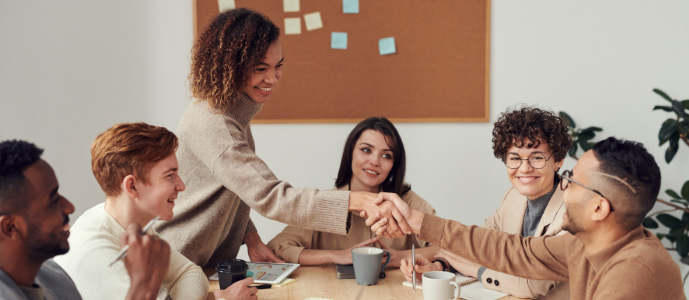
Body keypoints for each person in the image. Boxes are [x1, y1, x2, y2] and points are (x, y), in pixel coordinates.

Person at [156, 8, 408, 268]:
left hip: (201, 265)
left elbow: (235, 187)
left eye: (278, 66)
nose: (273, 78)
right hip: (177, 263)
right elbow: (271, 196)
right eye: (260, 68)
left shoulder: (230, 112)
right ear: (231, 67)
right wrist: (354, 200)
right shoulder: (215, 123)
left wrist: (251, 237)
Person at [382, 137, 686, 300]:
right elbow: (514, 251)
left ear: (599, 209)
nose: (562, 186)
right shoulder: (580, 245)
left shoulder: (636, 270)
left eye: (570, 180)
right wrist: (418, 221)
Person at [53, 123, 257, 300]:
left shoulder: (131, 225)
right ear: (132, 187)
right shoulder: (97, 253)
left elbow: (189, 273)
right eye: (170, 176)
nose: (181, 186)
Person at [398, 106, 572, 299]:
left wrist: (477, 271)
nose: (524, 168)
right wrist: (440, 266)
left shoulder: (573, 211)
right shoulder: (512, 197)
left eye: (537, 158)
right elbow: (478, 245)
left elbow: (533, 285)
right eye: (514, 158)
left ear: (558, 160)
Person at [0, 140, 170, 300]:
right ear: (10, 227)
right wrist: (144, 286)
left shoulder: (55, 278)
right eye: (53, 201)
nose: (70, 207)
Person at [267, 117, 436, 266]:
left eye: (386, 156)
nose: (375, 161)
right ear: (350, 153)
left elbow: (451, 247)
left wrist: (405, 256)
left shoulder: (408, 202)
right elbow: (278, 247)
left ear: (394, 165)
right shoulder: (326, 204)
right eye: (366, 150)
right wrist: (336, 255)